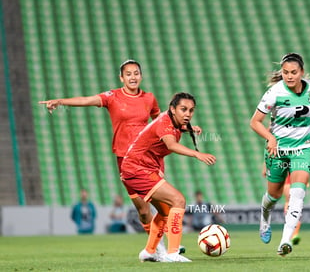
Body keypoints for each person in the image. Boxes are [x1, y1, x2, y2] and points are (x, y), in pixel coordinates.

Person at [39, 60, 169, 251]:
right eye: (128, 74)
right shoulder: (113, 97)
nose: (133, 77)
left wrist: (186, 128)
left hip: (148, 157)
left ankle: (163, 248)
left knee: (162, 203)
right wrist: (61, 101)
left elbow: (161, 123)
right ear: (121, 78)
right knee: (142, 210)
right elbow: (87, 100)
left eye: (136, 73)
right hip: (125, 159)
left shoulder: (149, 98)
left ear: (141, 76)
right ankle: (159, 247)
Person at [121, 92, 216, 262]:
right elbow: (171, 144)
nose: (188, 114)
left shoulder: (174, 122)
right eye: (183, 109)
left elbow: (178, 128)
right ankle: (173, 253)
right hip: (137, 169)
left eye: (191, 110)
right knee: (178, 200)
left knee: (166, 211)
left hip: (137, 168)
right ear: (172, 109)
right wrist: (197, 154)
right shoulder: (164, 123)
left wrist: (190, 129)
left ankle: (150, 251)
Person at [250, 52, 310, 256]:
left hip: (304, 148)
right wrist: (271, 138)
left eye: (293, 72)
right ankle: (265, 217)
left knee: (297, 192)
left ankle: (285, 240)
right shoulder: (274, 93)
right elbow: (254, 122)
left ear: (302, 73)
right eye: (285, 73)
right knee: (273, 195)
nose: (289, 76)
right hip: (279, 150)